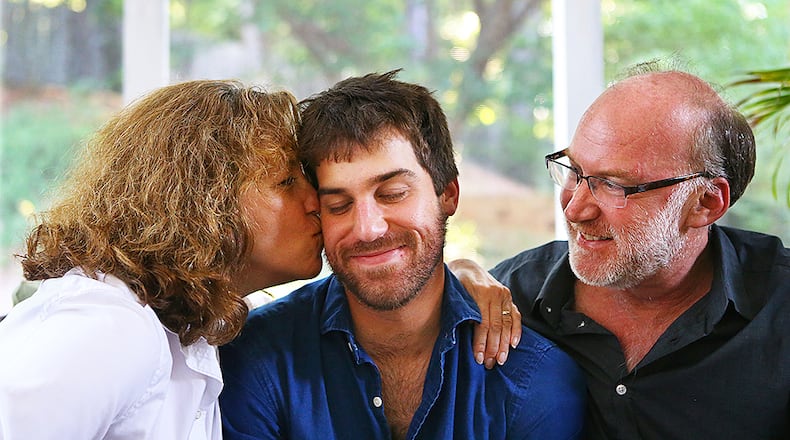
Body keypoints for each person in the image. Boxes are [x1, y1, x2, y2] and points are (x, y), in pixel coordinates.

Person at [218, 70, 587, 440]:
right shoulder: (256, 355)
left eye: (392, 193)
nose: (367, 229)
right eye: (339, 204)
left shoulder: (535, 377)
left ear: (448, 194)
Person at [451, 60, 790, 439]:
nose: (574, 208)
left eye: (614, 185)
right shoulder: (513, 295)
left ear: (706, 203)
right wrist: (458, 276)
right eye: (574, 171)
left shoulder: (779, 310)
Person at [0, 80, 325, 439]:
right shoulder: (112, 327)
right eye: (286, 182)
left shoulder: (189, 331)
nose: (317, 202)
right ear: (206, 198)